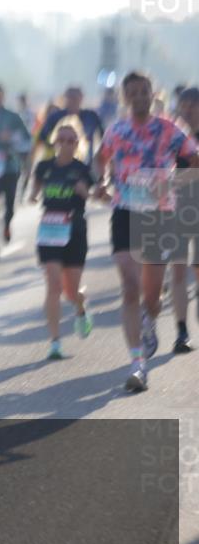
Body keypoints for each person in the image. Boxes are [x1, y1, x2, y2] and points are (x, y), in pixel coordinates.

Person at [94, 72, 198, 392]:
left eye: (144, 91)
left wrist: (173, 183)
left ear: (153, 93)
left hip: (157, 216)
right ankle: (138, 364)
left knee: (151, 297)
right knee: (129, 286)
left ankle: (150, 319)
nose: (139, 96)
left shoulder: (169, 129)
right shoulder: (117, 130)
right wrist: (102, 182)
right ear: (125, 98)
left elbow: (194, 160)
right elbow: (101, 159)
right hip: (124, 211)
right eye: (132, 92)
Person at [28, 118, 95, 359]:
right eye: (61, 140)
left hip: (75, 229)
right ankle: (55, 342)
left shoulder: (82, 169)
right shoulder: (44, 167)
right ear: (55, 142)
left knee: (70, 290)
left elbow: (93, 195)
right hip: (49, 229)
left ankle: (80, 305)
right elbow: (34, 190)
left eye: (70, 140)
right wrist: (34, 196)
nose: (65, 144)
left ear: (77, 143)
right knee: (53, 284)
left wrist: (83, 191)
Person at [0, 83, 32, 264]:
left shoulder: (13, 116)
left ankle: (7, 224)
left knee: (10, 204)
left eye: (0, 96)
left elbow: (26, 138)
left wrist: (12, 137)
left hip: (10, 166)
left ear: (4, 96)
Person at [169, 86, 199, 353]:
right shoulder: (171, 136)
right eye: (184, 106)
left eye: (193, 106)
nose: (187, 111)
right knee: (177, 270)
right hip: (175, 208)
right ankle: (181, 331)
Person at [35, 86, 105, 163]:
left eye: (75, 98)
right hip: (59, 165)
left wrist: (100, 162)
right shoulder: (56, 117)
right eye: (70, 98)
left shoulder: (91, 117)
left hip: (85, 164)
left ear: (81, 98)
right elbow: (41, 139)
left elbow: (104, 139)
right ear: (65, 98)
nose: (73, 101)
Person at [16, 92, 36, 198]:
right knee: (18, 171)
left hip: (28, 146)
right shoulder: (17, 113)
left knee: (28, 171)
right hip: (18, 147)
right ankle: (18, 192)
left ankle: (23, 192)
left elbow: (31, 128)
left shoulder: (30, 113)